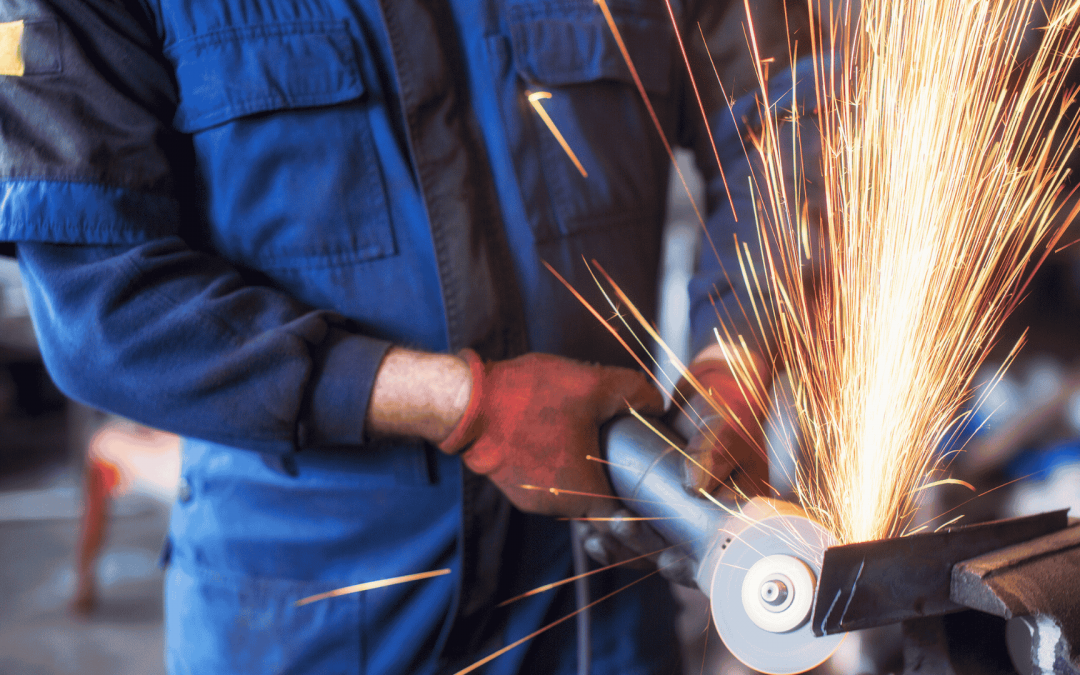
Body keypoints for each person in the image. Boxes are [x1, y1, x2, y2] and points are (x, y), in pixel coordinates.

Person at [0, 0, 812, 671]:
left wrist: (739, 347)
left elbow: (785, 110)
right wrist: (467, 404)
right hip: (306, 607)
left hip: (594, 598)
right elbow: (103, 298)